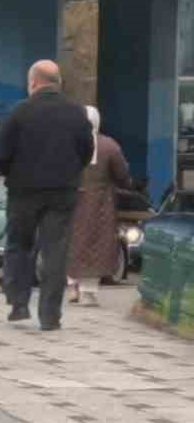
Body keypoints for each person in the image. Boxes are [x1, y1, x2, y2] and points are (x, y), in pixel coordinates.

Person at [0, 60, 93, 331]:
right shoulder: (76, 113)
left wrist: (9, 174)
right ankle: (50, 315)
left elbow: (1, 153)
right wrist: (69, 173)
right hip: (62, 192)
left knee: (19, 245)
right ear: (57, 82)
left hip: (24, 192)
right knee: (55, 251)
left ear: (34, 82)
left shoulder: (19, 112)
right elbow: (86, 150)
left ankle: (19, 303)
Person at [65, 106, 132, 307]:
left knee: (72, 240)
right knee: (95, 243)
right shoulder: (109, 146)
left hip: (71, 200)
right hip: (99, 204)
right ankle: (87, 292)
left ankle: (71, 285)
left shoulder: (67, 144)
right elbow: (122, 175)